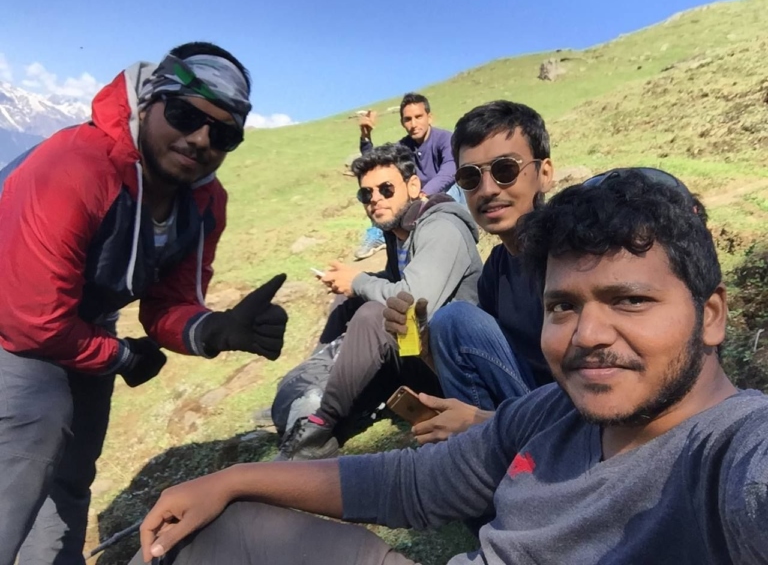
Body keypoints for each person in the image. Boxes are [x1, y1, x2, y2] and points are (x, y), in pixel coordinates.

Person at [133, 169, 768, 565]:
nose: (588, 335)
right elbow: (410, 483)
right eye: (563, 306)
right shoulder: (553, 413)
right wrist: (233, 479)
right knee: (199, 535)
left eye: (630, 300)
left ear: (711, 315)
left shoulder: (729, 452)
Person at [0, 42, 289, 565]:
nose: (200, 139)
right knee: (27, 444)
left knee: (71, 476)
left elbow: (168, 304)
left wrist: (215, 330)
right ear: (151, 101)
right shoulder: (75, 168)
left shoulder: (205, 202)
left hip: (84, 320)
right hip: (14, 320)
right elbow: (32, 324)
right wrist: (121, 357)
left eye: (223, 134)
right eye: (185, 115)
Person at [272, 143, 482, 461]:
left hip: (461, 369)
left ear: (413, 186)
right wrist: (352, 283)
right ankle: (320, 388)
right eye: (366, 193)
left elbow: (411, 300)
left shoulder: (442, 228)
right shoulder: (398, 232)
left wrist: (358, 280)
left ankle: (317, 431)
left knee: (373, 315)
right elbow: (395, 280)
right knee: (348, 302)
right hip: (423, 351)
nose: (375, 199)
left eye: (386, 189)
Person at [384, 100, 556, 445]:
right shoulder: (497, 269)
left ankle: (479, 453)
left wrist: (485, 424)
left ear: (545, 174)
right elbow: (483, 374)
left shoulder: (574, 259)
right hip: (531, 417)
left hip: (580, 427)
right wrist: (428, 348)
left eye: (505, 169)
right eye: (470, 177)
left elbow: (600, 388)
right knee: (451, 320)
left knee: (455, 318)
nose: (488, 189)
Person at [354, 92, 459, 260]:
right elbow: (377, 167)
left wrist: (424, 192)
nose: (414, 124)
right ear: (402, 122)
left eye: (418, 117)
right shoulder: (403, 147)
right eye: (408, 119)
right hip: (415, 199)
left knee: (454, 188)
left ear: (429, 117)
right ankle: (379, 235)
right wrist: (366, 137)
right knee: (381, 196)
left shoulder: (445, 138)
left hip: (442, 195)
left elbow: (450, 168)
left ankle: (451, 228)